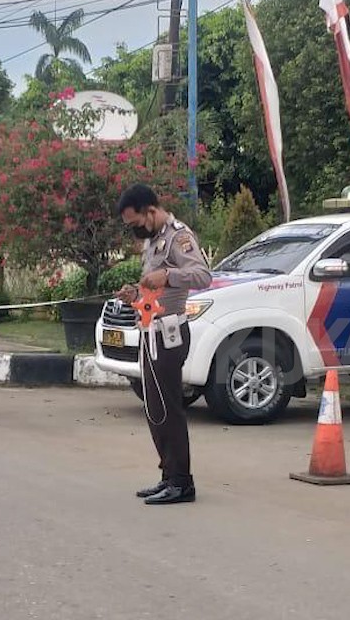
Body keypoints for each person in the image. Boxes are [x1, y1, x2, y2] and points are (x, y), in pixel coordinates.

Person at [115, 184, 212, 505]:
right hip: (150, 331)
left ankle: (182, 482)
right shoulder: (153, 241)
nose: (134, 230)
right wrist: (136, 295)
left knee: (169, 410)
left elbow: (201, 275)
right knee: (154, 410)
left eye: (135, 223)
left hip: (169, 335)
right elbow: (153, 291)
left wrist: (168, 276)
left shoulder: (177, 236)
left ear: (151, 211)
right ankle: (168, 475)